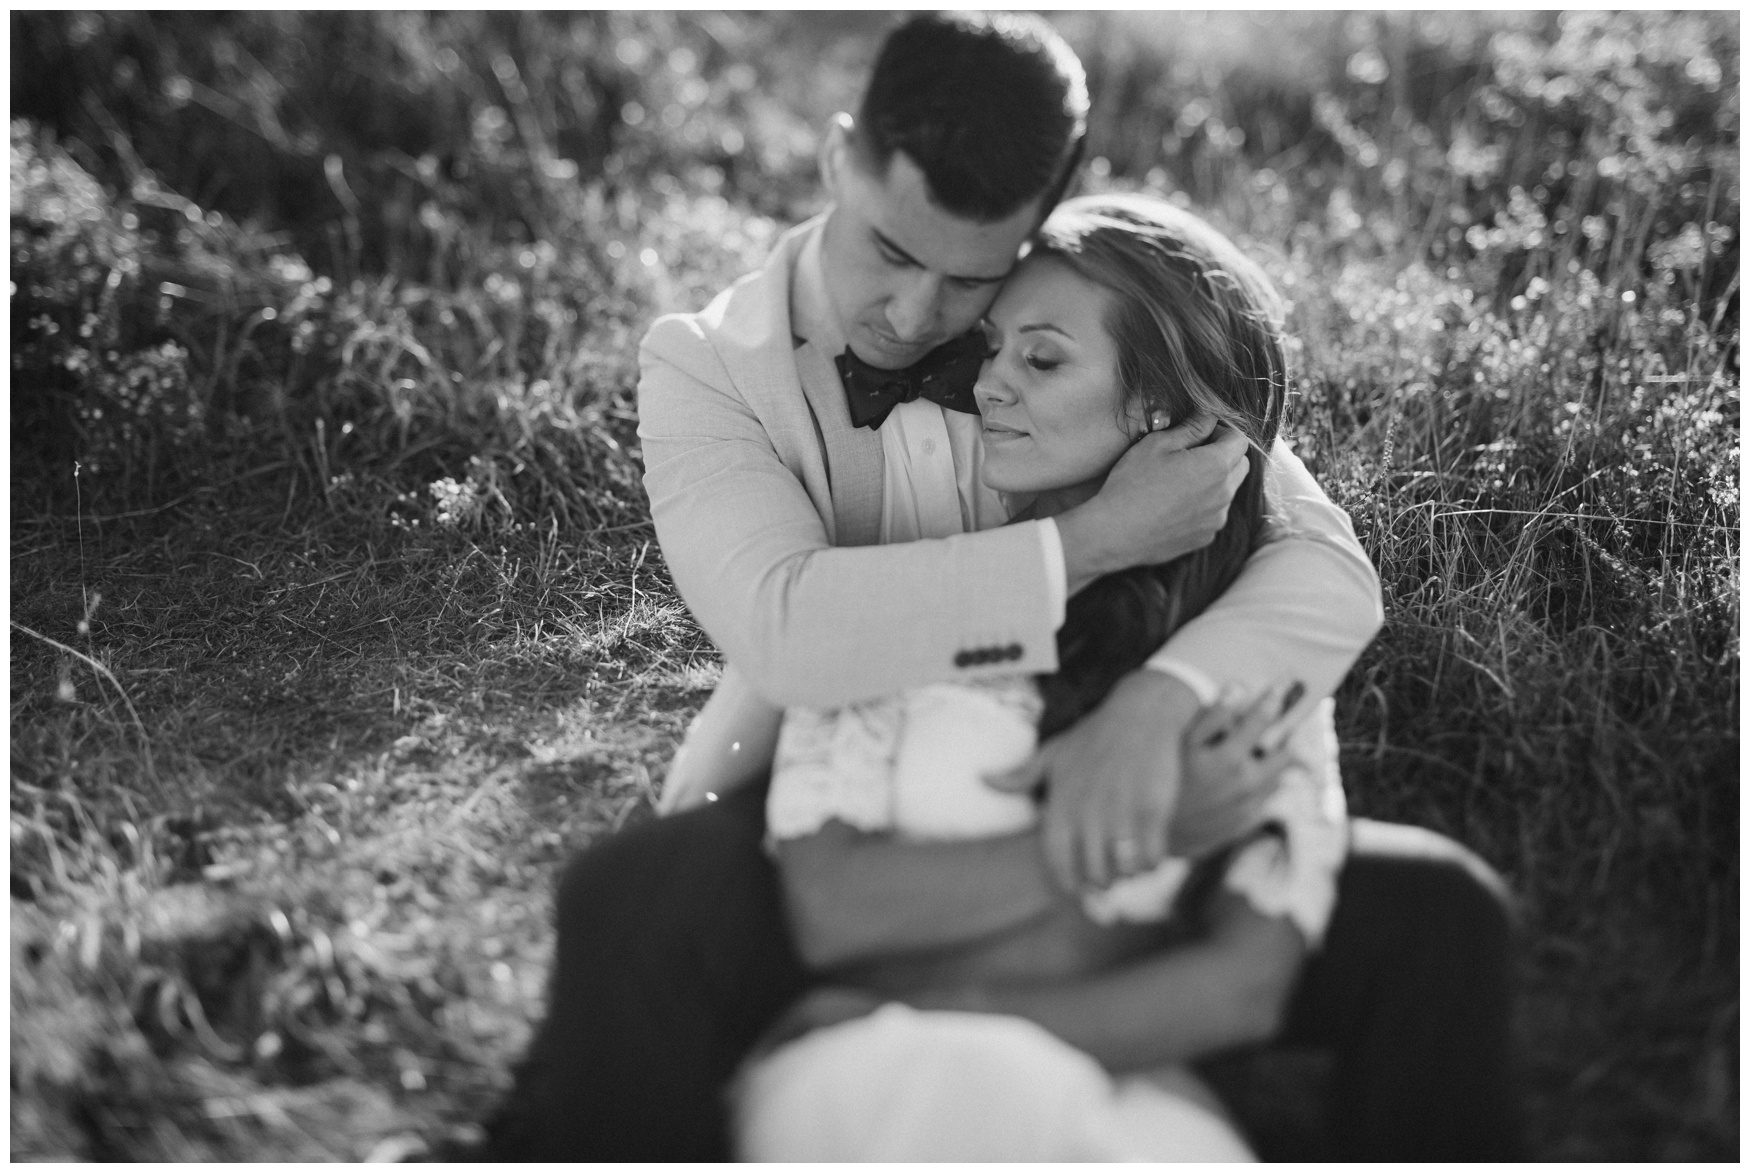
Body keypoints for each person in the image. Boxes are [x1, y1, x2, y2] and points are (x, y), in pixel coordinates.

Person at [483, 13, 1518, 1161]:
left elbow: (1319, 563)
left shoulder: (1073, 325)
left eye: (969, 278)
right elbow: (785, 631)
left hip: (1128, 763)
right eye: (890, 251)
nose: (920, 318)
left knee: (1437, 913)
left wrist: (1156, 704)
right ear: (838, 158)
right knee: (637, 900)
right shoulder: (709, 365)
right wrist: (1090, 543)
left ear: (1031, 236)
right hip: (843, 794)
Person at [733, 193, 1350, 1161]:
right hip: (880, 1080)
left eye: (1043, 358)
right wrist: (1152, 834)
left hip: (1122, 1094)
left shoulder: (1253, 645)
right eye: (994, 348)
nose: (987, 387)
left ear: (1156, 405)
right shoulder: (915, 589)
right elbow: (829, 910)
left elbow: (1245, 983)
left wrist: (954, 1008)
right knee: (964, 1089)